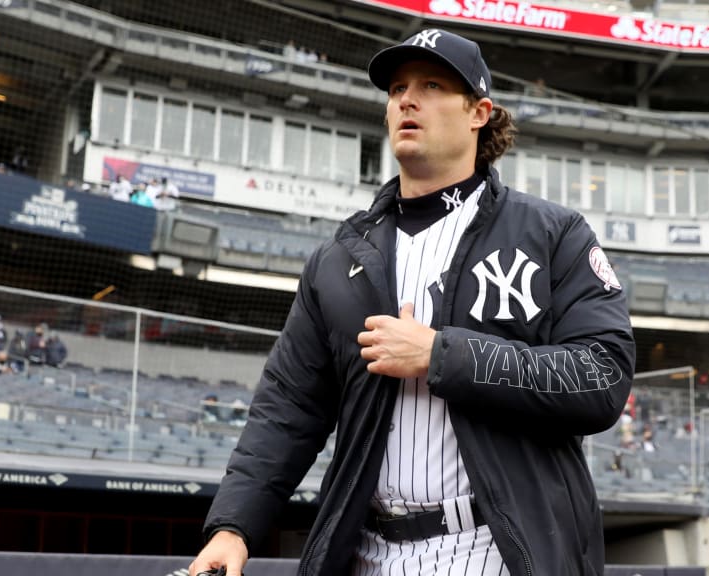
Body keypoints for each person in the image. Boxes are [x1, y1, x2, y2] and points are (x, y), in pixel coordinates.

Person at [189, 28, 634, 576]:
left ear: (479, 112)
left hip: (497, 548)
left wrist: (442, 355)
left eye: (431, 85)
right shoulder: (339, 257)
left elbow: (602, 376)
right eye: (397, 88)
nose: (407, 99)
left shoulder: (552, 233)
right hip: (368, 550)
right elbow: (289, 406)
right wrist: (234, 526)